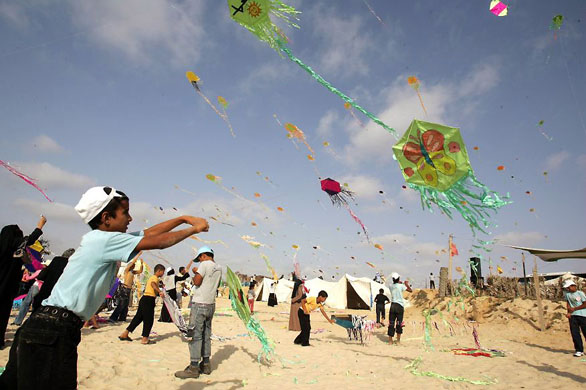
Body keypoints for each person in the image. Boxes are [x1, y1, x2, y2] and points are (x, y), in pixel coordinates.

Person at [0, 186, 209, 389]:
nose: (130, 218)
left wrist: (182, 219)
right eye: (125, 213)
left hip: (43, 326)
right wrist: (193, 229)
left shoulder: (101, 238)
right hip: (53, 331)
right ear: (106, 218)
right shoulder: (104, 240)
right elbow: (158, 241)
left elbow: (149, 232)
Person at [175, 246, 223, 379]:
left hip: (199, 303)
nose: (200, 260)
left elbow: (197, 282)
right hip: (211, 304)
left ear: (203, 256)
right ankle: (206, 364)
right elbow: (217, 285)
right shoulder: (219, 267)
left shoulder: (204, 265)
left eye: (200, 258)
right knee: (206, 334)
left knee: (195, 334)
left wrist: (197, 272)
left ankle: (194, 367)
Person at [0, 216, 46, 350]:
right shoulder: (14, 252)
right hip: (7, 287)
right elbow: (29, 240)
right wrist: (40, 225)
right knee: (3, 314)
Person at [120, 264, 165, 344]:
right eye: (162, 272)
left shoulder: (152, 278)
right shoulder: (154, 278)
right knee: (149, 320)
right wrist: (159, 291)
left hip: (144, 299)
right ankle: (145, 338)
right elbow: (153, 284)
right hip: (148, 300)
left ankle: (125, 333)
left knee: (138, 318)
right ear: (159, 271)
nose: (163, 274)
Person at [31, 248, 75, 312]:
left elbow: (41, 276)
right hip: (57, 297)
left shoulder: (55, 260)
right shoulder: (71, 265)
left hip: (45, 292)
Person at [109, 255, 143, 322]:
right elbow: (131, 264)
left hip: (129, 289)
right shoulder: (127, 270)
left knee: (125, 305)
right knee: (121, 304)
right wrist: (137, 256)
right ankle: (113, 318)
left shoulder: (133, 272)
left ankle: (122, 318)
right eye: (133, 265)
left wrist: (141, 264)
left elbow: (140, 271)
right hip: (124, 288)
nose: (134, 266)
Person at [563, 279, 586, 357]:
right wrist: (569, 312)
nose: (568, 289)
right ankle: (579, 350)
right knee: (575, 333)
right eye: (567, 288)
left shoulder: (580, 293)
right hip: (573, 316)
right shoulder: (567, 294)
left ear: (573, 286)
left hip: (582, 315)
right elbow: (568, 303)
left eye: (569, 287)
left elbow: (585, 304)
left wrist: (575, 308)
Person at [388, 272, 412, 345]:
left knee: (391, 323)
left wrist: (399, 282)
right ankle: (398, 341)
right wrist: (406, 283)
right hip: (399, 306)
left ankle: (390, 341)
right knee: (399, 323)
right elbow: (410, 290)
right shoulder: (401, 286)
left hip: (393, 305)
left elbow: (395, 284)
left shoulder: (390, 286)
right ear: (398, 278)